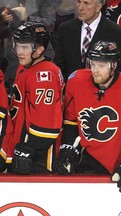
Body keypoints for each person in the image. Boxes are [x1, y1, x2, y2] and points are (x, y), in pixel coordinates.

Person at [54, 41, 121, 195]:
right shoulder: (76, 81)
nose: (95, 71)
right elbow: (71, 121)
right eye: (92, 64)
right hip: (88, 160)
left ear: (114, 65)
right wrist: (68, 147)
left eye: (101, 65)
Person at [9, 21, 65, 174]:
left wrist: (27, 149)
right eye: (18, 45)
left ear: (39, 49)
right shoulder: (24, 67)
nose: (19, 51)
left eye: (25, 47)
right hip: (22, 145)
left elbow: (47, 123)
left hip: (38, 157)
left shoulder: (46, 75)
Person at [53, 0, 121, 82]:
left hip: (102, 92)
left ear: (98, 7)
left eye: (86, 3)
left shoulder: (117, 33)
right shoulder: (65, 29)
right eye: (79, 2)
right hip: (71, 92)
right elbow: (59, 66)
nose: (80, 8)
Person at [0, 0, 56, 93]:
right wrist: (3, 20)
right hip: (9, 56)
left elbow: (50, 24)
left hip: (39, 55)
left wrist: (28, 18)